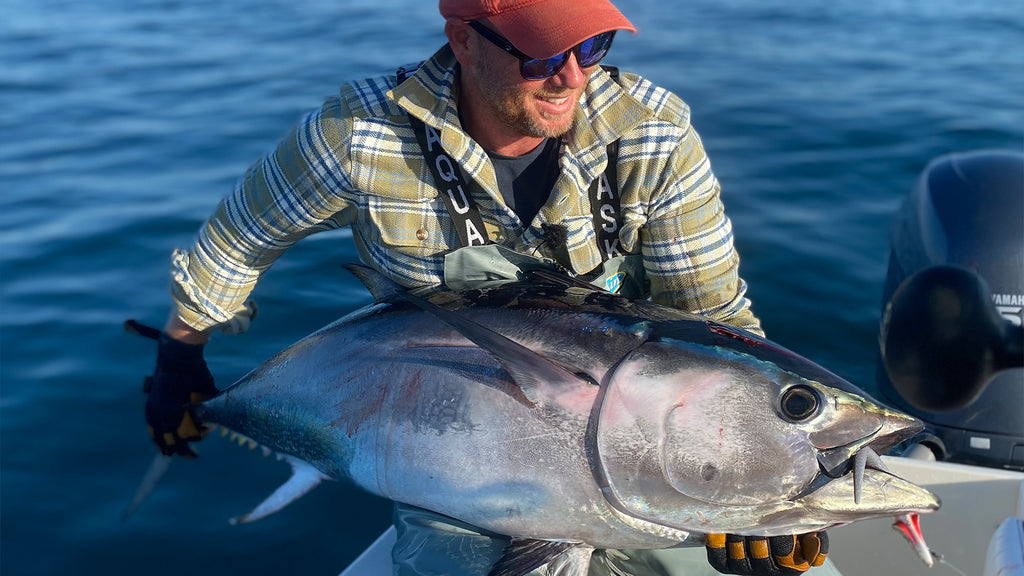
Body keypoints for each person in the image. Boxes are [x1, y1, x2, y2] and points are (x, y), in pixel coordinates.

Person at [144, 0, 829, 574]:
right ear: (464, 39)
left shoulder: (651, 133)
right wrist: (181, 357)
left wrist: (762, 471)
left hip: (626, 444)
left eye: (592, 45)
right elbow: (236, 240)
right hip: (455, 449)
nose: (569, 77)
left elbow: (714, 315)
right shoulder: (358, 135)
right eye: (539, 56)